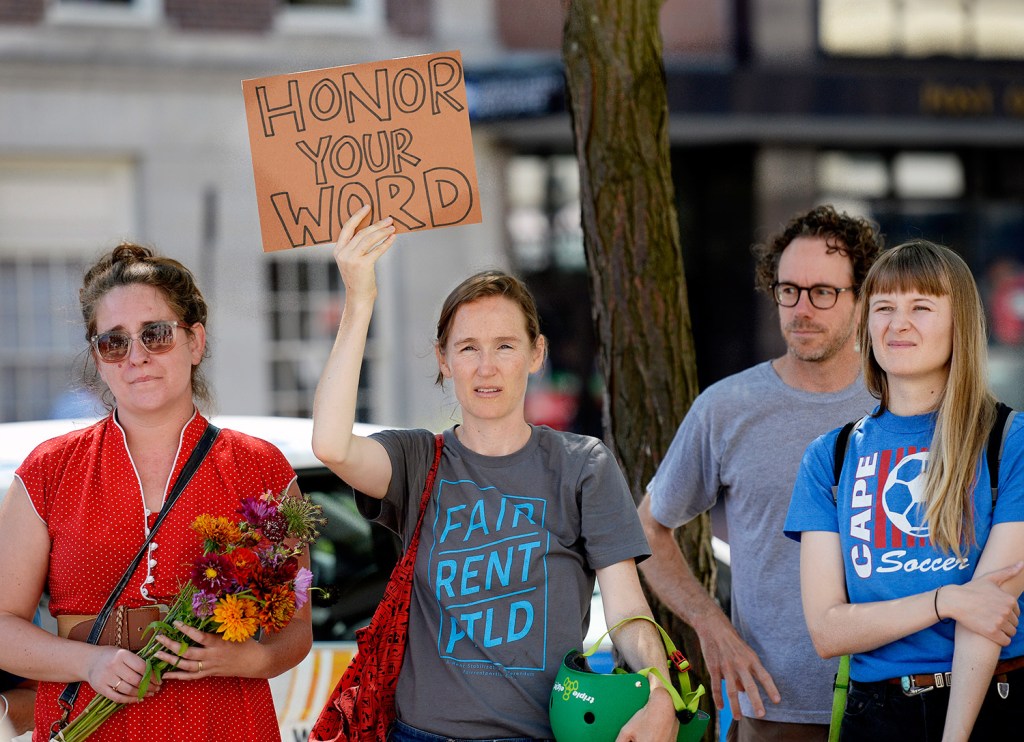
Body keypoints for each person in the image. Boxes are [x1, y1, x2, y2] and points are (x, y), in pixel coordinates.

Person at [311, 205, 679, 741]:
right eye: (468, 348)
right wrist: (360, 298)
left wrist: (660, 689)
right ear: (443, 359)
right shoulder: (419, 461)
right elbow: (329, 444)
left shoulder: (582, 465)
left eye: (505, 346)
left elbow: (626, 612)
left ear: (536, 354)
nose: (487, 367)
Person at [0, 242, 313, 740]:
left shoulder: (261, 468)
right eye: (114, 342)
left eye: (156, 334)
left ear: (195, 342)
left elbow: (296, 626)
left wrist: (249, 657)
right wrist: (90, 663)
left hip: (223, 721)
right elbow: (3, 625)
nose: (137, 356)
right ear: (98, 359)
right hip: (91, 720)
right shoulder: (48, 470)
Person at [638, 205, 883, 741]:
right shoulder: (728, 407)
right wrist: (709, 622)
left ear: (862, 299)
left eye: (823, 292)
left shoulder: (901, 405)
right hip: (774, 709)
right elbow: (647, 528)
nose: (802, 308)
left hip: (893, 702)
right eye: (788, 290)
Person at [784, 239, 1024, 741]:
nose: (898, 323)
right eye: (884, 307)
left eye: (921, 306)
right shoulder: (830, 456)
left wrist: (953, 737)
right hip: (875, 714)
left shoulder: (1010, 440)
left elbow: (989, 612)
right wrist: (945, 600)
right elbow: (828, 631)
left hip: (988, 704)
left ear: (960, 320)